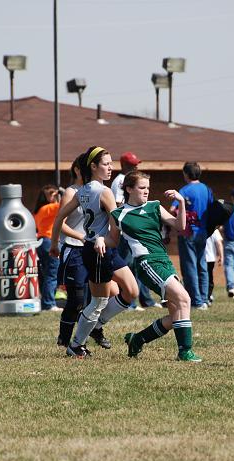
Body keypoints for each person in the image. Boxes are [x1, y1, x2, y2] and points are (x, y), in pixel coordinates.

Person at [49, 146, 139, 358]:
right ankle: (76, 344)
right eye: (106, 164)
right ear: (93, 166)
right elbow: (118, 222)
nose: (111, 168)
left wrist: (54, 244)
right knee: (97, 301)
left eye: (111, 164)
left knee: (131, 291)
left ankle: (95, 326)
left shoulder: (83, 191)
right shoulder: (103, 191)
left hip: (103, 248)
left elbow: (59, 217)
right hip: (98, 249)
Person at [110, 170, 202, 362]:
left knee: (176, 313)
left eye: (148, 188)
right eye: (142, 188)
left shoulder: (154, 206)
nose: (146, 192)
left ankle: (138, 339)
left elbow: (179, 226)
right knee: (184, 298)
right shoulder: (119, 214)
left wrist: (182, 202)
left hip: (164, 260)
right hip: (146, 263)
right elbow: (112, 241)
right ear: (128, 189)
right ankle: (185, 351)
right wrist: (97, 241)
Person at [54, 155, 111, 348]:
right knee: (78, 299)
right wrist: (80, 237)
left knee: (116, 292)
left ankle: (94, 329)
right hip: (75, 248)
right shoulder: (72, 192)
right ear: (78, 170)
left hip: (96, 247)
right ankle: (66, 339)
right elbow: (60, 222)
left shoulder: (97, 190)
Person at [111, 151, 158, 310]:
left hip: (134, 228)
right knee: (127, 265)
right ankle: (129, 301)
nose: (136, 166)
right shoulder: (121, 181)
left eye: (137, 164)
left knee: (138, 263)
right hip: (125, 229)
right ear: (124, 165)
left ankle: (145, 300)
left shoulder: (130, 179)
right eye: (133, 164)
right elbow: (117, 204)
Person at [172, 162, 214, 310]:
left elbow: (173, 208)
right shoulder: (207, 189)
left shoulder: (184, 190)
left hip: (187, 232)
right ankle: (204, 298)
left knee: (189, 266)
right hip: (202, 232)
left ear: (186, 174)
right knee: (202, 265)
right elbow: (211, 208)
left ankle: (196, 301)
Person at [33, 184, 62, 312]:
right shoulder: (50, 208)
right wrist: (61, 193)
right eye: (52, 193)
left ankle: (46, 302)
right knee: (52, 273)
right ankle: (49, 303)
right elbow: (65, 206)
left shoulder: (38, 210)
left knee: (46, 274)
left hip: (41, 241)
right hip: (49, 240)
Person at [205, 227, 223, 305]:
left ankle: (203, 296)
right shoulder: (215, 230)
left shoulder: (201, 229)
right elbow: (219, 243)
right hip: (210, 258)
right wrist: (221, 256)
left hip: (200, 258)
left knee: (201, 277)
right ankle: (208, 296)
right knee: (209, 278)